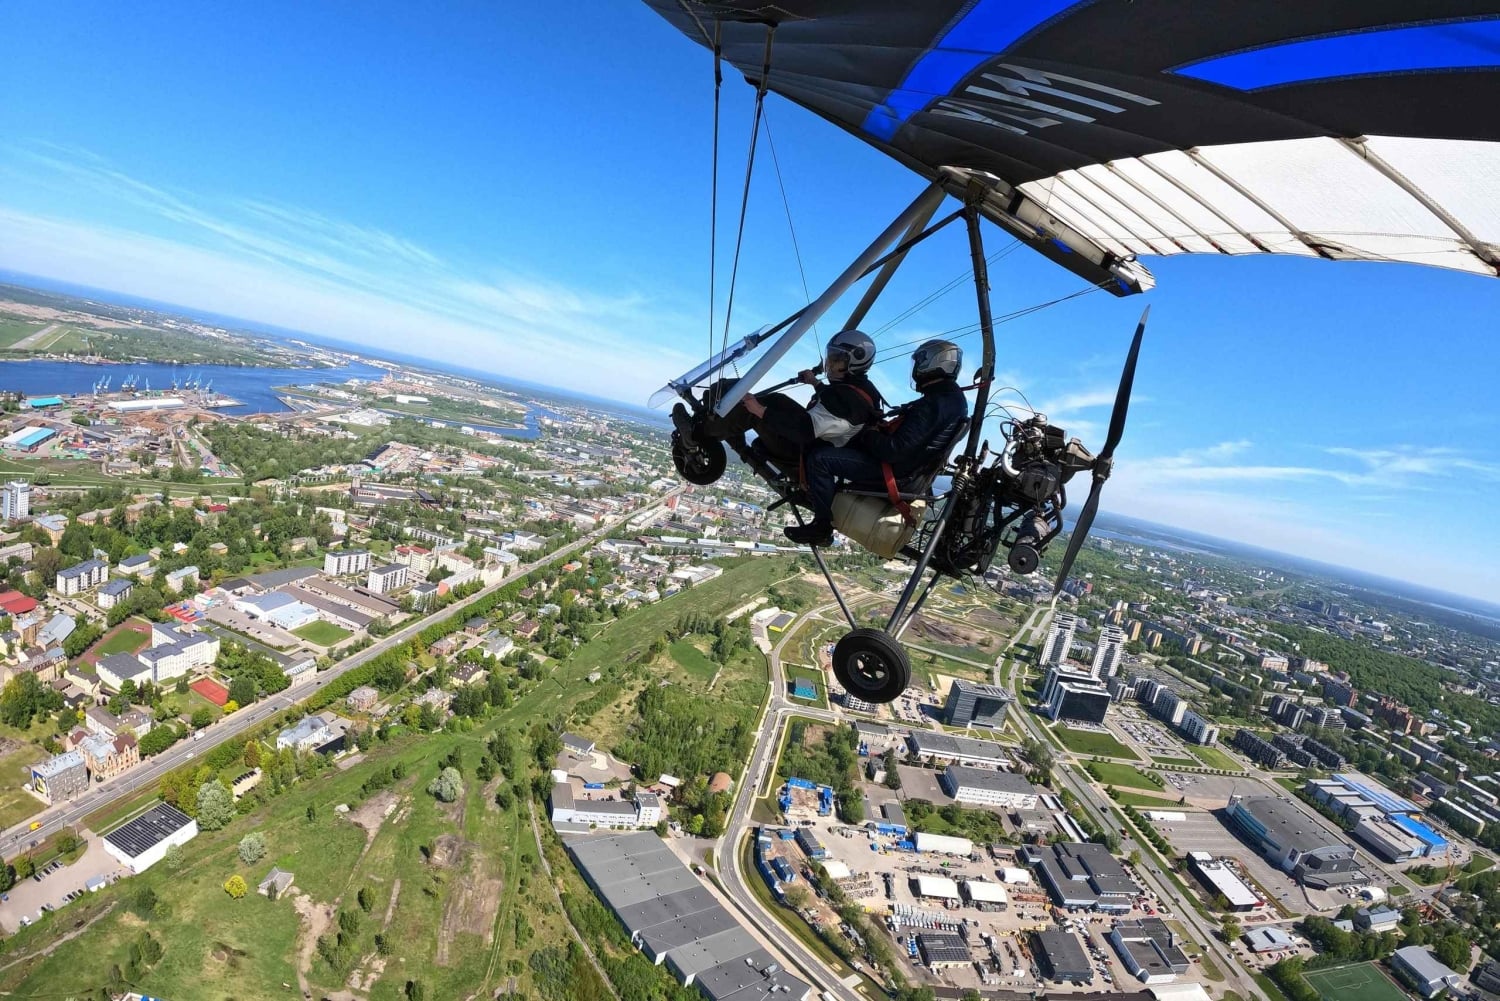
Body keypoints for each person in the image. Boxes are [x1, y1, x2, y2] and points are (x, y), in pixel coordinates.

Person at [784, 339, 968, 546]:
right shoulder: (950, 399)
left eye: (919, 362)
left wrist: (868, 433)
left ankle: (821, 526)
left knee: (820, 459)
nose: (916, 368)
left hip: (896, 473)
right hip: (908, 471)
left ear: (932, 363)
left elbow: (893, 450)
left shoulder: (935, 404)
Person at [682, 328, 885, 469]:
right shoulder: (859, 388)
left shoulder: (850, 401)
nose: (830, 364)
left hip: (803, 451)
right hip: (815, 442)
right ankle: (717, 423)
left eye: (836, 360)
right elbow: (835, 406)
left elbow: (805, 430)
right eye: (831, 357)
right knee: (776, 400)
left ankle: (697, 434)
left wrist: (760, 411)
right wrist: (815, 383)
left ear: (853, 363)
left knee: (753, 411)